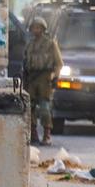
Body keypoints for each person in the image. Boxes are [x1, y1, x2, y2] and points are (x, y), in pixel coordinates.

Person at [22, 17, 63, 146]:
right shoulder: (29, 45)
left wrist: (55, 77)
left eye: (39, 27)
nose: (36, 30)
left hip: (44, 79)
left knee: (45, 108)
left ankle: (47, 135)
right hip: (31, 79)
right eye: (34, 27)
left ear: (43, 29)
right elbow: (25, 63)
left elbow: (58, 63)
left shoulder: (50, 44)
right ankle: (33, 134)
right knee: (30, 108)